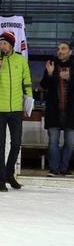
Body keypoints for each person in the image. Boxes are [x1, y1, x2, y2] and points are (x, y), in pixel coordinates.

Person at [0, 31, 32, 191]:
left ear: (12, 45)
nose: (2, 46)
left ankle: (9, 174)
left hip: (16, 109)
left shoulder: (21, 61)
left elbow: (27, 83)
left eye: (5, 43)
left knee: (16, 144)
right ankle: (0, 180)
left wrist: (28, 103)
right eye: (0, 43)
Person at [40, 42, 74, 176]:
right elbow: (43, 85)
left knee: (70, 143)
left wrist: (70, 78)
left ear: (70, 52)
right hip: (54, 111)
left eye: (63, 49)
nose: (60, 51)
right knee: (53, 141)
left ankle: (64, 168)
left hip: (71, 111)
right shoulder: (51, 64)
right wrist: (49, 74)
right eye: (58, 49)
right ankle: (54, 169)